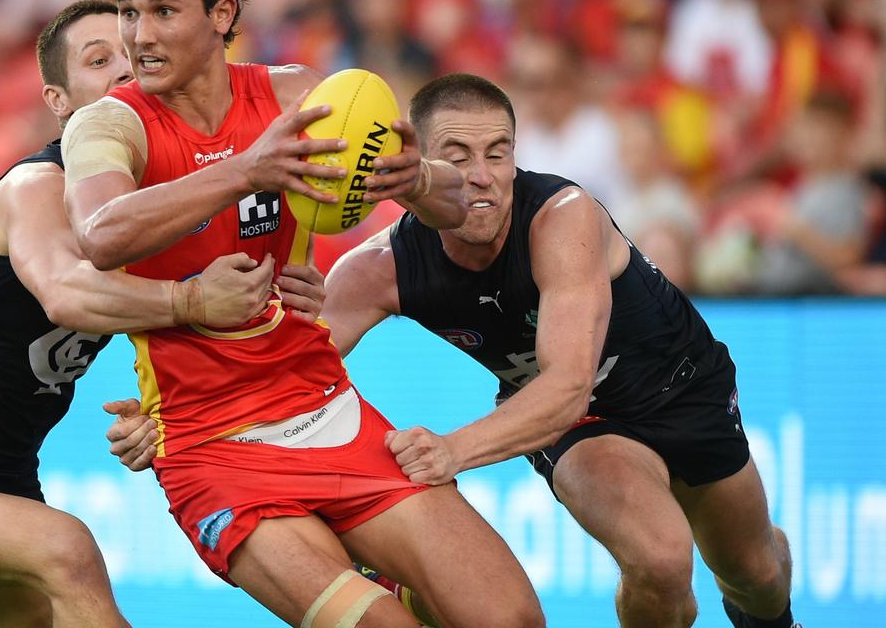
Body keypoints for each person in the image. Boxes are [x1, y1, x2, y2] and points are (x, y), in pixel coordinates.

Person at [62, 0, 543, 627]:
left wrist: (413, 181)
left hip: (328, 411)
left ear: (222, 14)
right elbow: (102, 234)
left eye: (164, 10)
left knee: (511, 621)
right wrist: (245, 169)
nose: (140, 36)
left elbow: (465, 207)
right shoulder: (109, 124)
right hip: (211, 448)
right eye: (130, 11)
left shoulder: (297, 97)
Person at [0, 0, 327, 628]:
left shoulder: (154, 207)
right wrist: (192, 300)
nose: (124, 70)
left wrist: (161, 411)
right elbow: (67, 295)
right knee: (68, 550)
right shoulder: (35, 187)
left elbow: (190, 329)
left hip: (7, 473)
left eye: (132, 56)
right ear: (59, 100)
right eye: (99, 61)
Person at [320, 74, 798, 628]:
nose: (481, 177)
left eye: (498, 154)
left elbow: (569, 382)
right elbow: (285, 372)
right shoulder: (378, 269)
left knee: (756, 575)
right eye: (457, 156)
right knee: (661, 559)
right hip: (583, 424)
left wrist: (450, 451)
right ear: (418, 166)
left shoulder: (562, 214)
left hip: (681, 387)